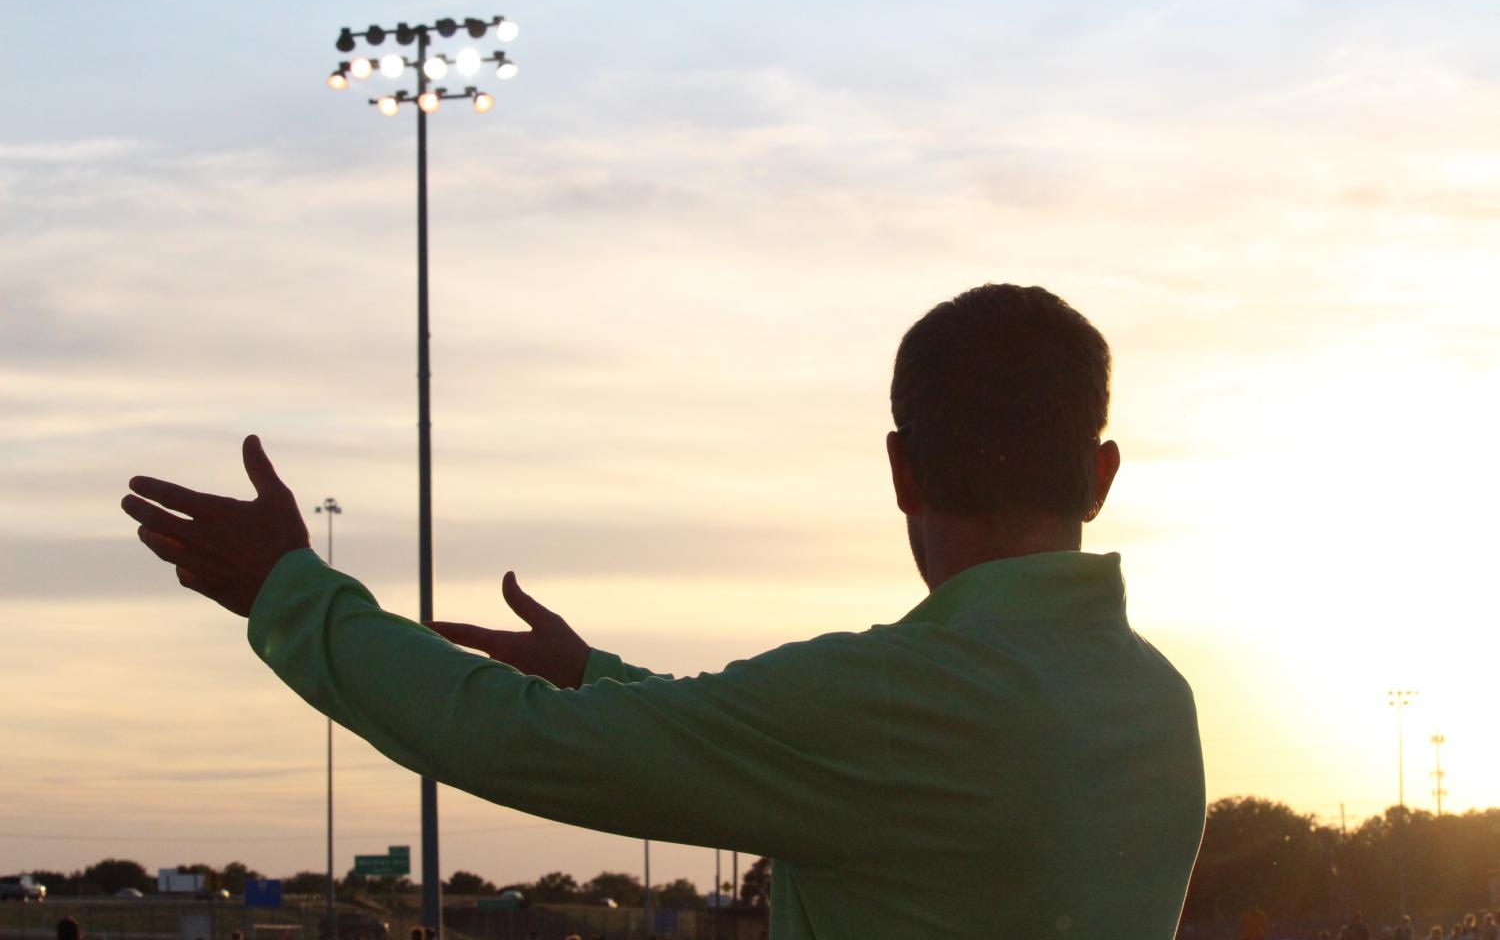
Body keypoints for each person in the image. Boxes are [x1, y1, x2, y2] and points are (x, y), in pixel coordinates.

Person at [121, 284, 1206, 938]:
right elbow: (818, 762)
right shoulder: (1159, 706)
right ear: (1101, 473)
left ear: (900, 472)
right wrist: (598, 680)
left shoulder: (891, 699)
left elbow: (517, 742)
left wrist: (290, 595)